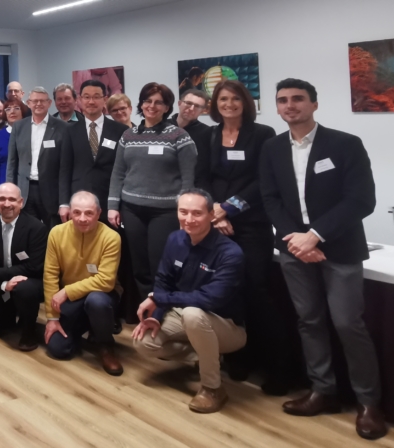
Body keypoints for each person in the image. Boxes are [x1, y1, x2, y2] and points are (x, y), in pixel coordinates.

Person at [260, 79, 386, 440]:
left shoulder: (345, 144)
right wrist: (296, 239)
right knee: (309, 320)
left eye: (298, 99)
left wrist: (315, 235)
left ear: (314, 104)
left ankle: (368, 403)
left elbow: (361, 199)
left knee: (348, 323)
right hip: (292, 248)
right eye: (282, 100)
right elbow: (270, 198)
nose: (290, 105)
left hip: (339, 247)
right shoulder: (271, 148)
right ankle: (323, 391)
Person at [195, 80, 286, 395]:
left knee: (255, 290)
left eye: (235, 98)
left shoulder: (262, 134)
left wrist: (228, 209)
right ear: (215, 104)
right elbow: (201, 178)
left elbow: (264, 180)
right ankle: (238, 357)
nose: (229, 104)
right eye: (223, 99)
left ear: (245, 102)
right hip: (216, 224)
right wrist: (214, 212)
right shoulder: (209, 135)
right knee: (226, 291)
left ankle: (279, 367)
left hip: (251, 224)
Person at [133, 189, 245, 414]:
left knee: (192, 313)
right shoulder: (175, 239)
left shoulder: (230, 253)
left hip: (227, 325)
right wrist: (156, 317)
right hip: (184, 315)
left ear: (211, 215)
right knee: (143, 342)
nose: (189, 219)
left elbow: (210, 298)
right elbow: (163, 280)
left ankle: (212, 388)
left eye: (197, 213)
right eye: (183, 212)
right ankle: (207, 355)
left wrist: (158, 299)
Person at [107, 82, 196, 313]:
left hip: (165, 212)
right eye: (147, 101)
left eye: (158, 102)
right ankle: (146, 313)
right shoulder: (128, 135)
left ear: (167, 107)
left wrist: (185, 212)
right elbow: (118, 172)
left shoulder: (179, 136)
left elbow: (188, 178)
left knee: (160, 264)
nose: (152, 106)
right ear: (141, 104)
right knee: (139, 267)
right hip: (131, 209)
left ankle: (163, 313)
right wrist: (113, 205)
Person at [43, 191, 123, 375]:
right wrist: (52, 318)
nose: (82, 218)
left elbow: (106, 280)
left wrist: (66, 292)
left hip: (102, 295)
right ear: (70, 212)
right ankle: (89, 326)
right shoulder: (56, 233)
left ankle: (105, 345)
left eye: (89, 213)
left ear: (99, 213)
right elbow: (50, 275)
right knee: (58, 348)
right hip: (74, 300)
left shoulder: (111, 237)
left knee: (96, 301)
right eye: (77, 212)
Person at [0, 183, 47, 351]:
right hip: (0, 284)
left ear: (21, 202)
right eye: (2, 199)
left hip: (28, 282)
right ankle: (11, 310)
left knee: (24, 289)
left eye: (12, 199)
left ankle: (29, 331)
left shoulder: (36, 228)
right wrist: (4, 284)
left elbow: (34, 267)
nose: (7, 204)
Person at [59, 79, 130, 221]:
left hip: (109, 200)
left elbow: (124, 169)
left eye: (96, 97)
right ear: (80, 100)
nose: (91, 101)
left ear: (105, 100)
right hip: (79, 200)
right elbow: (65, 169)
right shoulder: (69, 131)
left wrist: (119, 204)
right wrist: (64, 203)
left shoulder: (120, 130)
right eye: (87, 97)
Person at [7, 86, 72, 227]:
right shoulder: (18, 127)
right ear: (28, 103)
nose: (38, 104)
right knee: (28, 231)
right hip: (25, 191)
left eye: (42, 101)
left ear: (49, 103)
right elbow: (12, 163)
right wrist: (10, 192)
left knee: (53, 232)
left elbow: (65, 168)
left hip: (51, 193)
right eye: (35, 101)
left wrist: (64, 202)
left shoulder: (63, 128)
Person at [0, 99, 28, 195]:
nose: (12, 112)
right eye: (8, 109)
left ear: (23, 111)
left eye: (16, 108)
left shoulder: (30, 133)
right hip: (4, 186)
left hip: (27, 187)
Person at [171, 89, 211, 160]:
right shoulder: (162, 127)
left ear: (202, 111)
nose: (191, 109)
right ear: (179, 104)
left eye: (197, 106)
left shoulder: (207, 133)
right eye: (188, 103)